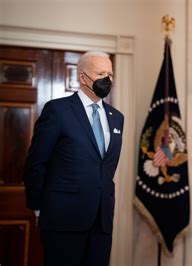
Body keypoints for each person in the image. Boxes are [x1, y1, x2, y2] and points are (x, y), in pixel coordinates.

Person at [23, 51, 124, 266]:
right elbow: (36, 163)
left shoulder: (117, 117)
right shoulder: (58, 111)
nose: (107, 79)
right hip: (62, 219)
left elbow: (105, 166)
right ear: (83, 77)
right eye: (100, 73)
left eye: (110, 74)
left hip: (101, 221)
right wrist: (39, 206)